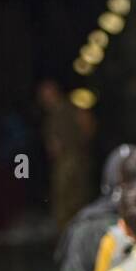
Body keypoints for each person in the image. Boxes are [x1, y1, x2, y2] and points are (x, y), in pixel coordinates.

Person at [37, 80, 92, 232]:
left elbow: (86, 128)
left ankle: (67, 233)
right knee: (70, 198)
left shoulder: (65, 110)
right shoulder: (59, 111)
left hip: (69, 160)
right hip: (70, 159)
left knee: (66, 199)